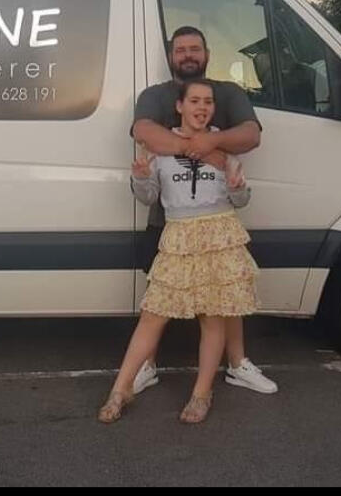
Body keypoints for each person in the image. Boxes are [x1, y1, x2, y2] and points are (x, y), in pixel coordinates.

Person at [98, 79, 259, 423]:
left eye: (208, 102)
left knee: (212, 317)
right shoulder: (161, 147)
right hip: (178, 238)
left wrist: (237, 187)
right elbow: (148, 197)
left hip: (219, 236)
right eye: (195, 101)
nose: (202, 108)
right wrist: (142, 177)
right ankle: (120, 389)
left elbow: (241, 200)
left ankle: (201, 394)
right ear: (180, 106)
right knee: (153, 314)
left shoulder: (223, 147)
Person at [130, 26, 277, 397]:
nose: (188, 55)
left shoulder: (228, 93)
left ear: (207, 54)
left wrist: (210, 140)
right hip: (168, 222)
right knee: (159, 298)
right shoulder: (154, 95)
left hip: (216, 222)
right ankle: (146, 365)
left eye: (195, 48)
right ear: (170, 56)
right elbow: (144, 131)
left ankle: (237, 364)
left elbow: (251, 135)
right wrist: (203, 149)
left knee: (227, 295)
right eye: (180, 50)